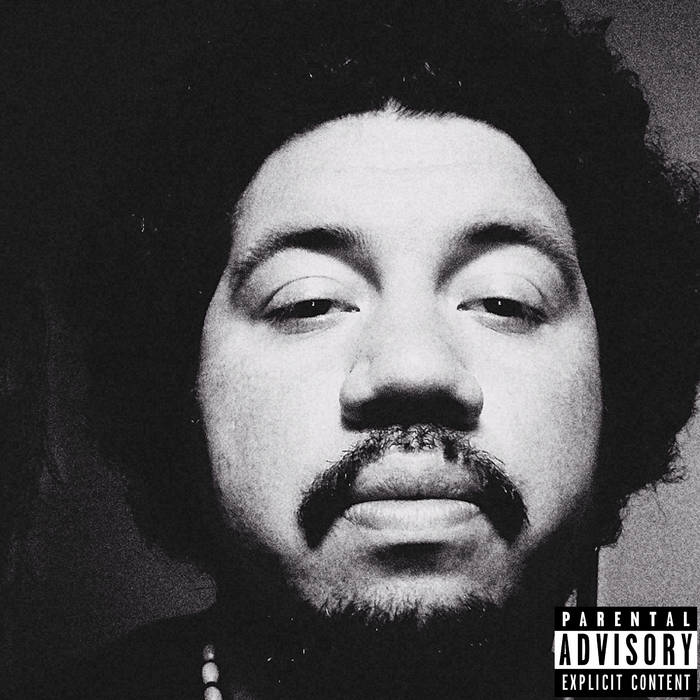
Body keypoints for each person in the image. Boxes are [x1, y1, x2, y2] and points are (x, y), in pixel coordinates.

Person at [43, 0, 699, 698]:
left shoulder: (659, 676)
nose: (413, 368)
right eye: (308, 301)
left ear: (616, 386)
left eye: (505, 299)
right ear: (182, 393)